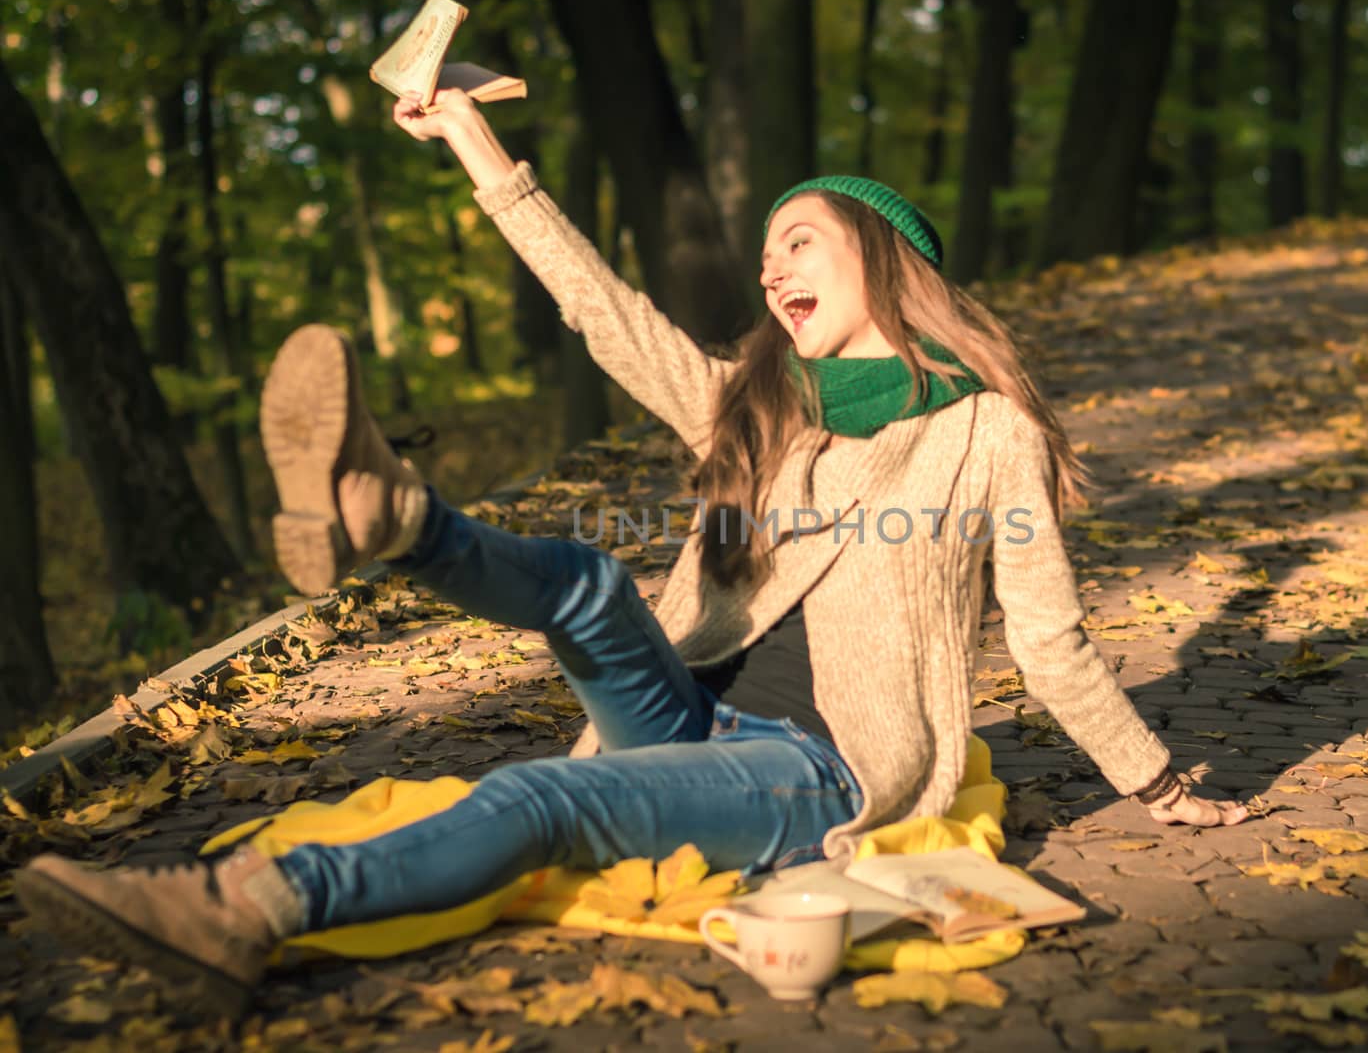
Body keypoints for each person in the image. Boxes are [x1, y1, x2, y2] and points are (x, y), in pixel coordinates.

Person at [16, 89, 1249, 1016]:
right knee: (591, 583)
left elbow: (1048, 636)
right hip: (677, 708)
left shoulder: (988, 432)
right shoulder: (758, 403)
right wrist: (474, 147)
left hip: (811, 771)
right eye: (766, 251)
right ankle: (392, 515)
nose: (770, 266)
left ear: (882, 255)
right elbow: (604, 313)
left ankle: (243, 909)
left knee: (539, 799)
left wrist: (1156, 779)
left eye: (798, 240)